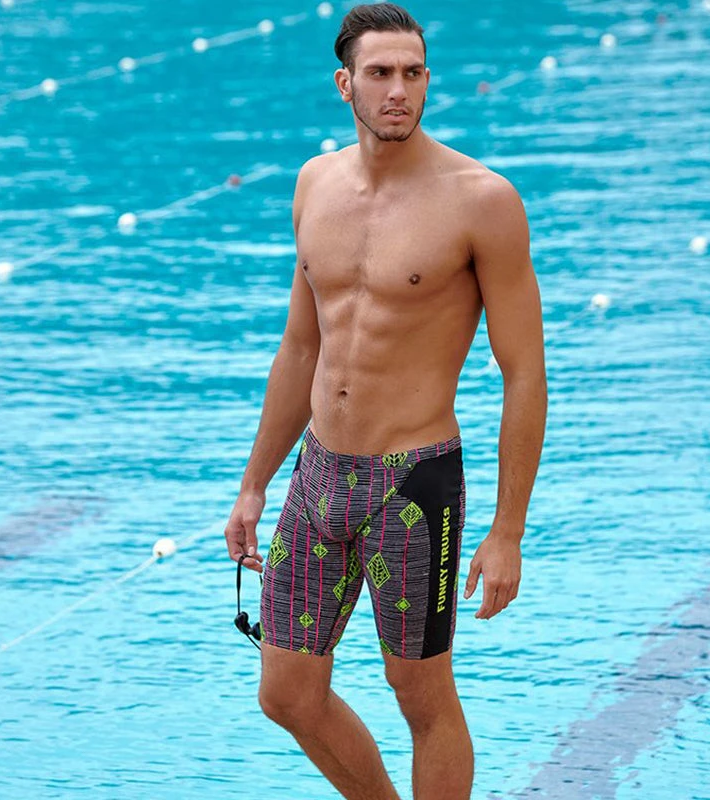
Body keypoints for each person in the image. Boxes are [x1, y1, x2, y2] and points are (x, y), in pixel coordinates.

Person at [223, 4, 546, 798]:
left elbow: (524, 372)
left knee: (420, 694)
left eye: (413, 73)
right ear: (346, 84)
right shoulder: (315, 184)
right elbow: (301, 346)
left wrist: (508, 531)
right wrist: (255, 483)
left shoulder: (482, 200)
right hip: (317, 476)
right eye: (380, 73)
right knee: (286, 692)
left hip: (412, 485)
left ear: (428, 80)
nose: (398, 90)